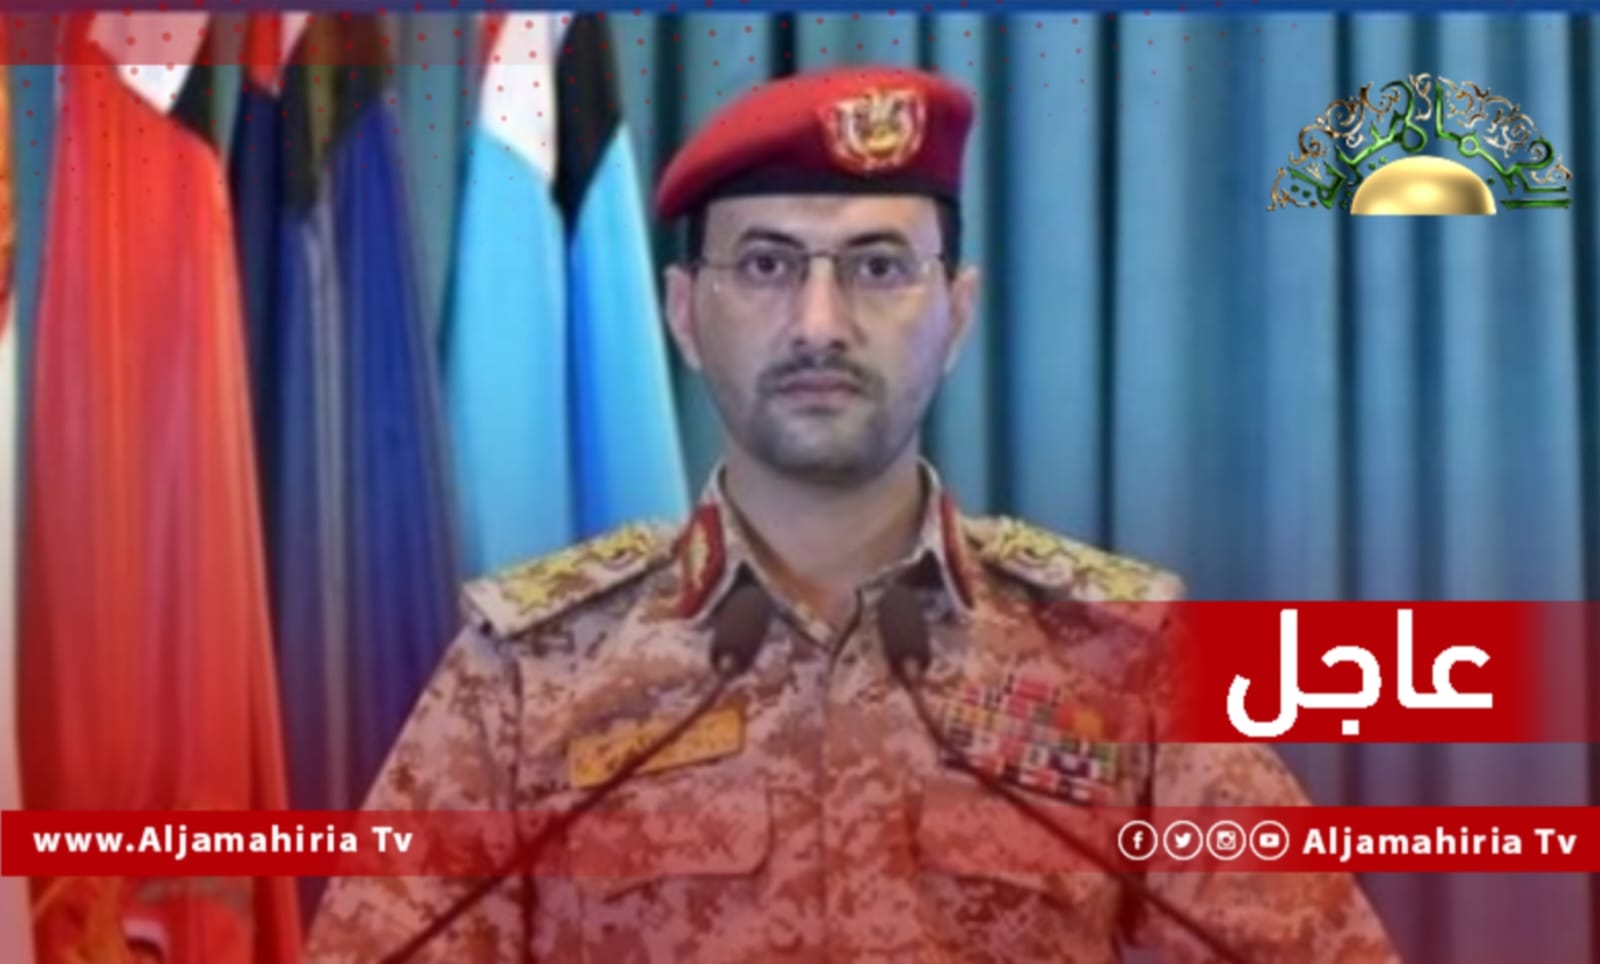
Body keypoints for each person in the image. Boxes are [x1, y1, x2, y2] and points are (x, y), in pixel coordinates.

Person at [304, 65, 1400, 963]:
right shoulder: (529, 674)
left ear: (955, 312)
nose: (819, 323)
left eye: (877, 266)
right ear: (684, 314)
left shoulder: (1118, 656)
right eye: (766, 264)